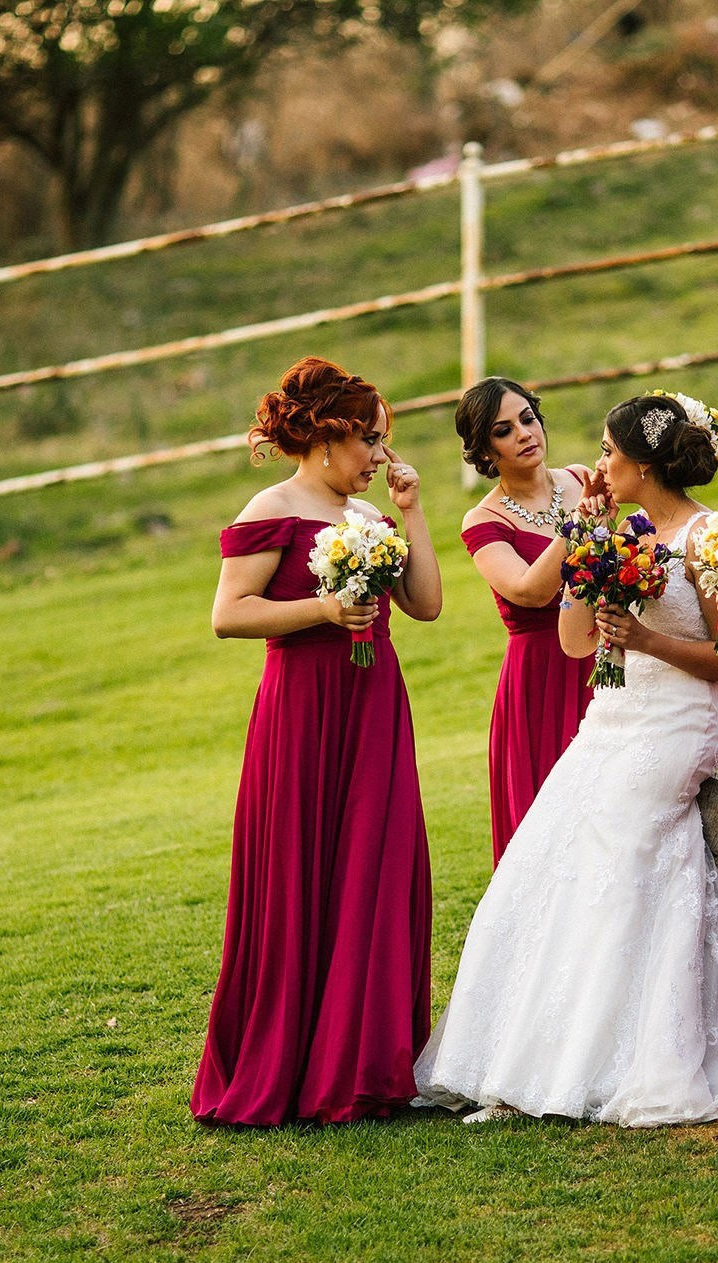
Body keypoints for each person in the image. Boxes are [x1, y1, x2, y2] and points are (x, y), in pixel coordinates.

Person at [413, 391, 718, 1127]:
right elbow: (570, 642)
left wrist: (645, 639)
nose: (591, 466)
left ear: (642, 464)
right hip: (615, 714)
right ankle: (523, 1059)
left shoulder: (712, 536)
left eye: (605, 453)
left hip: (681, 719)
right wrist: (592, 550)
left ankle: (616, 1056)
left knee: (623, 856)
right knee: (543, 854)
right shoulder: (617, 529)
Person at [191, 356, 444, 1125]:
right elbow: (229, 614)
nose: (378, 455)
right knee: (305, 871)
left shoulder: (370, 520)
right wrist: (324, 614)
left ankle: (369, 1065)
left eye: (380, 441)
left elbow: (427, 605)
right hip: (302, 715)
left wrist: (413, 514)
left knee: (377, 865)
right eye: (368, 440)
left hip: (373, 710)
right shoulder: (272, 507)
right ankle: (299, 1065)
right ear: (327, 438)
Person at [454, 378, 596, 863]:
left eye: (527, 418)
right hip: (541, 677)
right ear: (484, 450)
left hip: (605, 654)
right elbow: (530, 590)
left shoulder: (581, 479)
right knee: (553, 817)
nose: (523, 433)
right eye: (503, 430)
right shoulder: (484, 521)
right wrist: (582, 527)